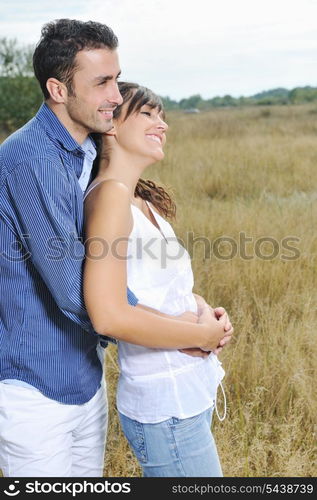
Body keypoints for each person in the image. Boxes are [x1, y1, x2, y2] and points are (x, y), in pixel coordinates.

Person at [0, 20, 232, 477]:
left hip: (85, 377)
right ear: (58, 89)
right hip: (35, 389)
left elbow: (127, 274)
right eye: (102, 82)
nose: (115, 95)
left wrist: (192, 309)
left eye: (116, 77)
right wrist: (190, 329)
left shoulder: (82, 152)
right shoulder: (33, 159)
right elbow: (79, 294)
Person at [83, 82, 233, 477]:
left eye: (162, 115)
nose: (161, 124)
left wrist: (206, 313)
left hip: (186, 394)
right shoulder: (109, 197)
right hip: (164, 403)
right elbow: (109, 314)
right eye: (147, 114)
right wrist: (200, 336)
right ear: (111, 125)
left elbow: (161, 288)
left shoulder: (139, 200)